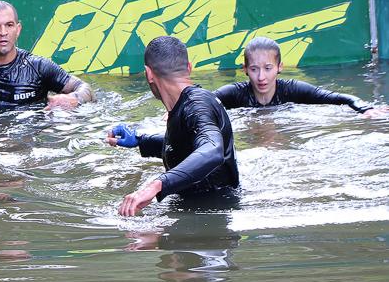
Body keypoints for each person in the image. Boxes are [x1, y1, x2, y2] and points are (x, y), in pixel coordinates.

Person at [106, 35, 239, 216]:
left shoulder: (196, 106)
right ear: (189, 67)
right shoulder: (185, 106)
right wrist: (140, 141)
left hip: (210, 218)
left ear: (149, 74)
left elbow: (212, 149)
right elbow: (187, 146)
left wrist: (156, 185)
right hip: (200, 211)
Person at [214, 36, 386, 116]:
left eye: (268, 68)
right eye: (254, 69)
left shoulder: (293, 90)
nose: (261, 77)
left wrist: (365, 108)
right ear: (244, 69)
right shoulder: (233, 94)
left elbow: (337, 98)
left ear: (279, 67)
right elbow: (200, 102)